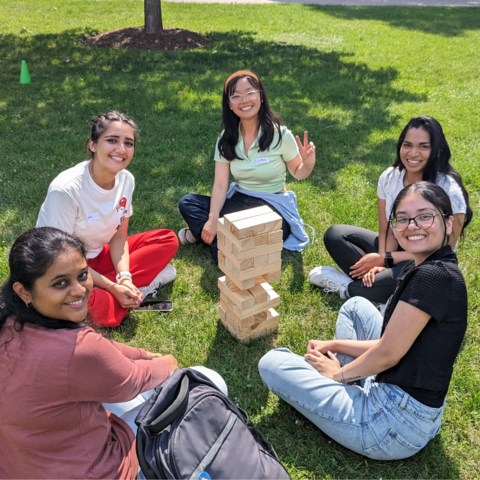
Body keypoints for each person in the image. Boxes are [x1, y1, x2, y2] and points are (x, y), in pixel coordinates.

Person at [259, 182, 468, 460]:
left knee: (273, 363)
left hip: (391, 425)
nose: (412, 225)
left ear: (448, 222)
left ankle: (346, 385)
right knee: (357, 306)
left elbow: (388, 354)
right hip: (416, 411)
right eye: (403, 218)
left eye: (425, 216)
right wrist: (335, 344)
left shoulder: (432, 277)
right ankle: (351, 385)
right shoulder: (431, 266)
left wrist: (337, 375)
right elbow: (390, 344)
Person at [0, 227, 227, 479]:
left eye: (83, 275)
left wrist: (143, 354)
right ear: (23, 291)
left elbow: (102, 352)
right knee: (206, 380)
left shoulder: (10, 321)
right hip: (94, 470)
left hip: (23, 465)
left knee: (143, 398)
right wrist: (167, 364)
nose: (78, 290)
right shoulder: (76, 350)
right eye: (60, 283)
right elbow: (132, 379)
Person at [308, 116, 472, 304]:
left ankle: (346, 287)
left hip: (428, 261)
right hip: (399, 244)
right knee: (335, 235)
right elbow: (386, 229)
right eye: (407, 144)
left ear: (437, 151)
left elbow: (444, 250)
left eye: (424, 146)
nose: (413, 153)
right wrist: (383, 261)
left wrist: (385, 259)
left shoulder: (449, 190)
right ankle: (379, 289)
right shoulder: (390, 178)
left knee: (408, 278)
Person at [36, 111, 179, 327]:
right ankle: (126, 292)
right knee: (101, 309)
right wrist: (112, 287)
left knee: (167, 239)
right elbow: (62, 260)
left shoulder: (126, 180)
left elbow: (119, 238)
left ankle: (126, 289)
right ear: (93, 145)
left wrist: (124, 278)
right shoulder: (65, 190)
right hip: (64, 269)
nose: (121, 150)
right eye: (112, 140)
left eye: (128, 143)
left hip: (98, 256)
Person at [178, 70, 315, 262]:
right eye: (236, 96)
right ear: (230, 104)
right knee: (188, 203)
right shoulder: (226, 138)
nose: (244, 100)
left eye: (250, 92)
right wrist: (213, 218)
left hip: (271, 206)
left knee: (230, 252)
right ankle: (221, 238)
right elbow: (219, 184)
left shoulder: (281, 135)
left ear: (260, 95)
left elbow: (298, 173)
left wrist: (307, 165)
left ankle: (213, 239)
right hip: (239, 200)